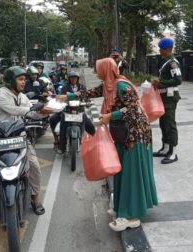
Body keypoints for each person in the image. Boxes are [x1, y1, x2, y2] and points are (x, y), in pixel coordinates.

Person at [57, 58, 158, 231]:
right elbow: (90, 93)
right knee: (122, 172)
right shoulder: (108, 85)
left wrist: (111, 116)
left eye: (99, 69)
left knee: (130, 174)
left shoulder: (121, 86)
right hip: (123, 133)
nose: (97, 73)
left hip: (135, 135)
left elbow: (133, 110)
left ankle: (131, 216)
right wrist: (67, 96)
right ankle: (121, 207)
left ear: (107, 70)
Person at [0, 66, 52, 215]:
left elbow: (32, 114)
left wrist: (46, 112)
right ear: (10, 81)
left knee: (34, 165)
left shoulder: (23, 97)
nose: (24, 82)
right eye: (20, 79)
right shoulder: (1, 94)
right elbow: (14, 110)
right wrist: (37, 109)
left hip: (18, 137)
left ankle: (35, 196)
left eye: (24, 79)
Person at [151, 37, 182, 164]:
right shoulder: (166, 62)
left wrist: (160, 83)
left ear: (168, 49)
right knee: (163, 123)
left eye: (162, 49)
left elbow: (178, 80)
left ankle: (173, 152)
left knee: (169, 124)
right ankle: (165, 148)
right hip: (163, 97)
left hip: (170, 98)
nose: (160, 51)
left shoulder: (172, 63)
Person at [50, 70, 95, 152]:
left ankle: (95, 144)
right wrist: (61, 102)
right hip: (66, 110)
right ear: (69, 79)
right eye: (72, 78)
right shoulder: (65, 87)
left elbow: (87, 98)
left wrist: (88, 102)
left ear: (77, 79)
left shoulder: (82, 87)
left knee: (91, 126)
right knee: (53, 120)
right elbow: (61, 98)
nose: (73, 79)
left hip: (79, 110)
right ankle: (61, 146)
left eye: (75, 78)